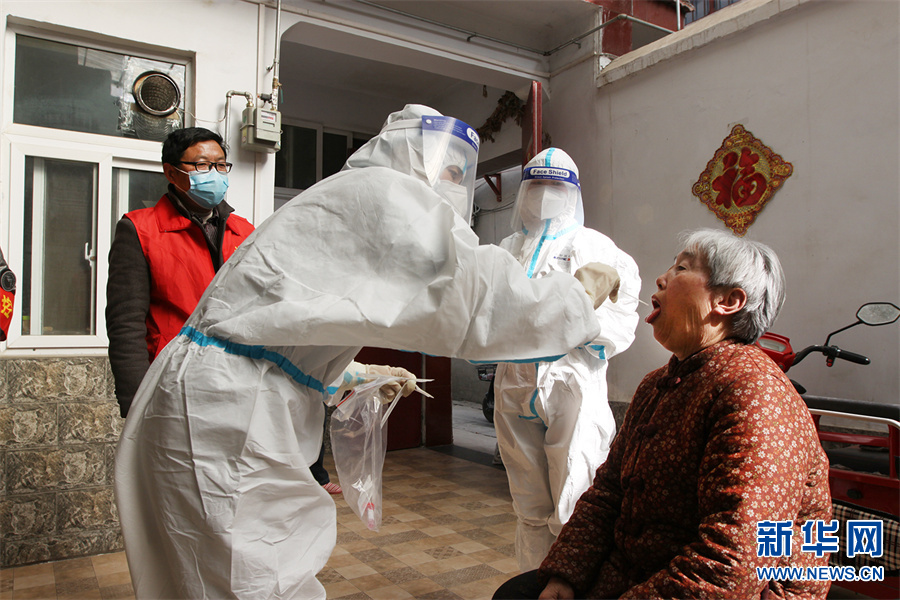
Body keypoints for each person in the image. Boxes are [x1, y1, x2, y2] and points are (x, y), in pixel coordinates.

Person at [115, 104, 619, 600]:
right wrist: (576, 296)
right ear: (410, 156)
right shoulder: (385, 195)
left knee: (219, 569)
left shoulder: (346, 197)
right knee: (249, 574)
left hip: (221, 395)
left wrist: (352, 372)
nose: (451, 184)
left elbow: (291, 318)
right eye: (447, 170)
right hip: (227, 412)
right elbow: (475, 300)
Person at [493, 228, 832, 600]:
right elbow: (608, 493)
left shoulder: (755, 394)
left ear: (728, 301)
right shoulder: (658, 384)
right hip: (639, 572)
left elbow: (733, 561)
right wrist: (565, 576)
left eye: (682, 268)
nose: (661, 278)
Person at [493, 148, 641, 571]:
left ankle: (572, 582)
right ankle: (534, 582)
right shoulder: (507, 248)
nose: (544, 194)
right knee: (528, 501)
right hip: (514, 382)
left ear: (572, 193)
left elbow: (620, 313)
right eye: (537, 184)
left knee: (575, 493)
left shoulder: (592, 245)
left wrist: (580, 329)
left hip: (570, 382)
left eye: (555, 185)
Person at [106, 127, 254, 419]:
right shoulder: (140, 230)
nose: (214, 173)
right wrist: (135, 401)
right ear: (171, 173)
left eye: (220, 165)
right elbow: (126, 324)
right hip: (171, 382)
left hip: (236, 381)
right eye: (201, 165)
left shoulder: (244, 231)